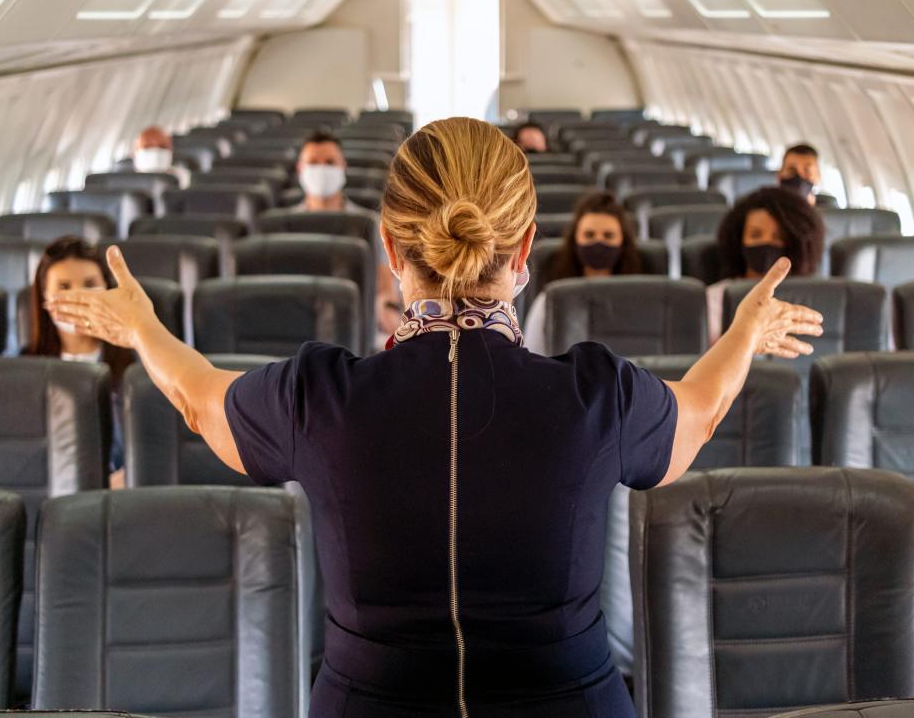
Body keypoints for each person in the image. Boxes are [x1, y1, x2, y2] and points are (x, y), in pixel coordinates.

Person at [48, 117, 822, 718]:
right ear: (524, 251)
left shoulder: (320, 397)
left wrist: (144, 328)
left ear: (390, 247)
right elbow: (700, 409)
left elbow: (196, 396)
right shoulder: (598, 395)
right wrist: (744, 333)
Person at [24, 236, 135, 489]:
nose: (79, 297)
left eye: (89, 284)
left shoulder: (138, 368)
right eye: (64, 286)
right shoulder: (21, 371)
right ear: (44, 297)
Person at [294, 130, 403, 340]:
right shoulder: (282, 226)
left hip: (357, 325)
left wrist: (384, 307)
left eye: (329, 162)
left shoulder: (368, 225)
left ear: (343, 166)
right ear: (300, 169)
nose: (321, 169)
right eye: (313, 163)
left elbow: (384, 284)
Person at [524, 191, 641, 355]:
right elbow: (533, 356)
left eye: (608, 236)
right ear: (575, 241)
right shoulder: (550, 301)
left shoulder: (641, 298)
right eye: (589, 235)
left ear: (623, 242)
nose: (599, 242)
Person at [707, 186, 826, 344]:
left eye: (778, 236)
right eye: (756, 235)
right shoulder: (714, 298)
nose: (767, 243)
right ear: (738, 241)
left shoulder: (818, 298)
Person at [778, 143, 834, 207]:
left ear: (818, 177)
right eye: (792, 170)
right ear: (779, 175)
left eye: (807, 171)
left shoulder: (829, 210)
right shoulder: (767, 208)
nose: (800, 176)